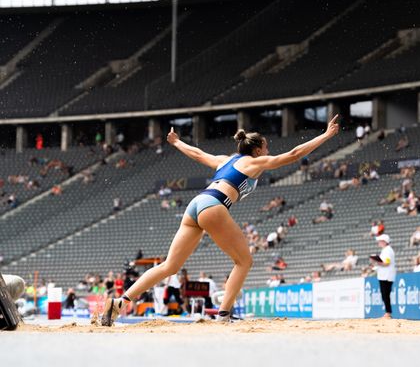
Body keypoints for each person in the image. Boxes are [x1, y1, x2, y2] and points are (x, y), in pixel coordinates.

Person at [101, 115, 341, 325]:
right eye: (266, 148)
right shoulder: (254, 162)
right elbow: (294, 154)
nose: (268, 152)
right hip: (214, 205)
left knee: (170, 266)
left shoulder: (226, 160)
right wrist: (326, 135)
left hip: (196, 204)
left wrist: (176, 142)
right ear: (257, 149)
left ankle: (120, 303)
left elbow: (197, 154)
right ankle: (224, 315)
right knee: (244, 262)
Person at [372, 234, 395, 319]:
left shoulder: (388, 250)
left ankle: (388, 313)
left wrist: (377, 262)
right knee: (384, 294)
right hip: (384, 275)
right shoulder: (385, 250)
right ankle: (387, 312)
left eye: (380, 241)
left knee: (385, 294)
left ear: (384, 242)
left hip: (386, 275)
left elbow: (387, 263)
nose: (378, 243)